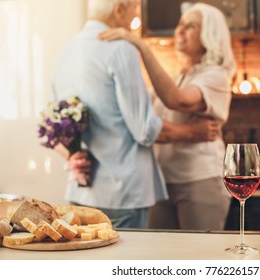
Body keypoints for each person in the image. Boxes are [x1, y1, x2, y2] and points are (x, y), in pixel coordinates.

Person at [52, 0, 218, 229]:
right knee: (124, 264)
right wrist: (190, 132)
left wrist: (72, 156)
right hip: (122, 193)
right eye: (135, 11)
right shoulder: (121, 48)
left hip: (81, 193)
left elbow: (55, 124)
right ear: (119, 9)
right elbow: (144, 130)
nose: (134, 19)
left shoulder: (67, 50)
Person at [99, 2, 237, 230]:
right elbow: (143, 123)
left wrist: (141, 47)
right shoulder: (177, 77)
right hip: (161, 181)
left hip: (200, 180)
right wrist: (188, 132)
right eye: (180, 24)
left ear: (210, 34)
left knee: (199, 257)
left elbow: (179, 100)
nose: (180, 31)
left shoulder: (216, 76)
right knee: (162, 255)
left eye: (190, 26)